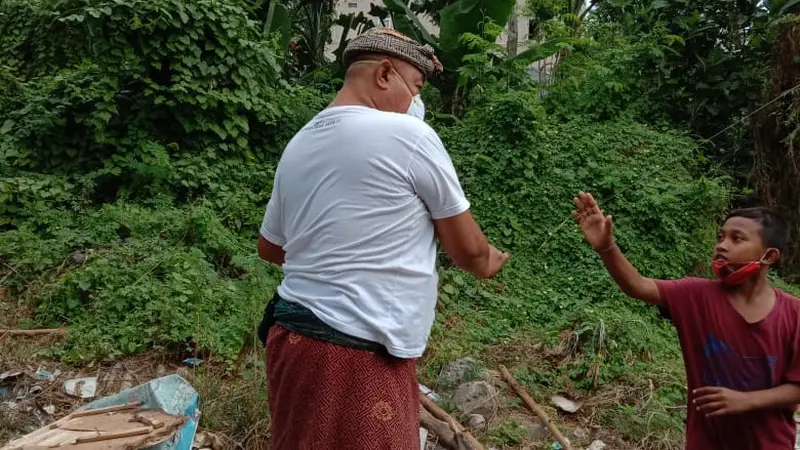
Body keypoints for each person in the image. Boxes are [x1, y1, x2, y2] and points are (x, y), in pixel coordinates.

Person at [256, 28, 509, 450]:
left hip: (292, 342)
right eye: (416, 87)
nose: (417, 103)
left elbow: (270, 246)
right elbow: (469, 251)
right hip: (355, 351)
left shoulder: (300, 142)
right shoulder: (409, 137)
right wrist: (490, 260)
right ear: (385, 73)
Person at [572, 191, 800, 450]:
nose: (722, 245)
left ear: (769, 256)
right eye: (721, 237)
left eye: (737, 239)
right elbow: (637, 285)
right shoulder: (696, 295)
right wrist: (606, 247)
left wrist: (746, 400)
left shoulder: (794, 314)